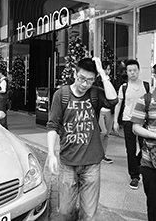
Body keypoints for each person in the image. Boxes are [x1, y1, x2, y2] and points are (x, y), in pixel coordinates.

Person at [47, 57, 118, 221]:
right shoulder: (62, 94)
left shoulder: (94, 93)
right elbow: (52, 125)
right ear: (75, 73)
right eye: (82, 79)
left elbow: (113, 100)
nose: (85, 84)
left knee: (89, 215)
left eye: (90, 80)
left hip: (92, 162)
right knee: (65, 212)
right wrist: (51, 153)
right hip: (68, 162)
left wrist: (102, 73)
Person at [113, 59, 150, 190]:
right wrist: (115, 121)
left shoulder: (146, 85)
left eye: (135, 70)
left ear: (138, 71)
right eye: (130, 71)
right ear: (127, 72)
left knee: (145, 146)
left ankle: (139, 165)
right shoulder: (124, 87)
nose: (132, 73)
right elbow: (118, 104)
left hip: (143, 122)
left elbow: (149, 104)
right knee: (130, 149)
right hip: (128, 120)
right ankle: (134, 176)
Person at [131, 88, 156, 221]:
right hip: (150, 163)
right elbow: (135, 127)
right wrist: (154, 135)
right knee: (153, 206)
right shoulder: (145, 100)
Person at [94, 61, 114, 164]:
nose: (108, 71)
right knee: (103, 132)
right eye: (107, 69)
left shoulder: (112, 81)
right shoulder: (97, 81)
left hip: (110, 111)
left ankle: (103, 154)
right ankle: (98, 153)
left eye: (109, 69)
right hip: (101, 110)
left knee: (107, 134)